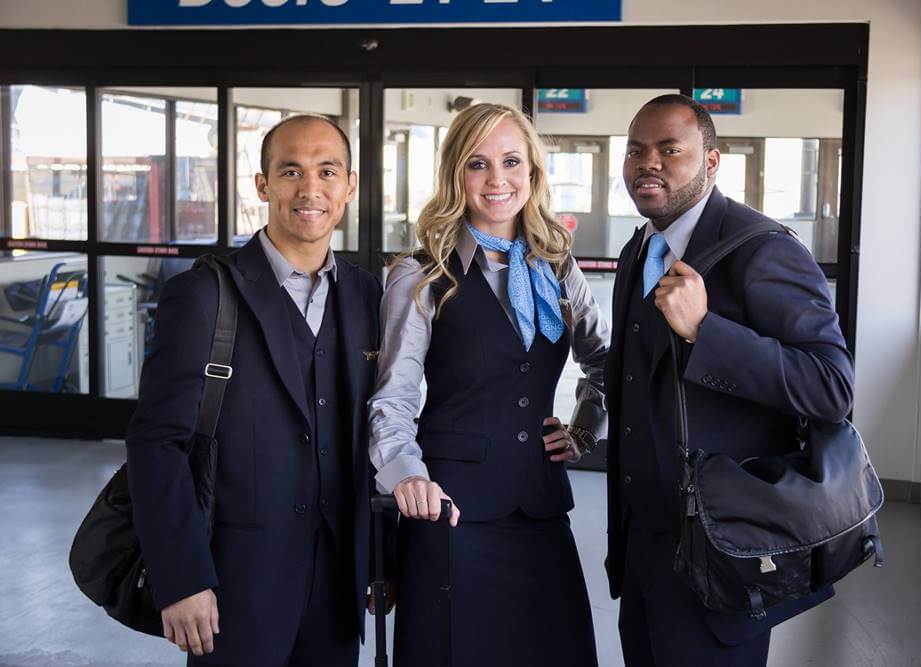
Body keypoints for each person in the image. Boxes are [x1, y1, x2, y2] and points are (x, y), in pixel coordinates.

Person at [605, 94, 855, 666]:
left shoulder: (762, 249)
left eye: (671, 150)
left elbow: (831, 386)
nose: (650, 164)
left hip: (724, 548)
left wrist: (705, 332)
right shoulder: (638, 248)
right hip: (644, 547)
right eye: (637, 151)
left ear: (712, 163)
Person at [126, 115, 384, 666]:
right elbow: (157, 444)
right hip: (230, 587)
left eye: (327, 171)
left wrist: (379, 561)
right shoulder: (201, 296)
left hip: (339, 589)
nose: (310, 189)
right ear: (263, 184)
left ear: (350, 185)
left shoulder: (366, 294)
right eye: (291, 171)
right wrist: (181, 578)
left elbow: (375, 430)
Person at [368, 102, 609, 667]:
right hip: (451, 512)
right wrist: (405, 475)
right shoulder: (423, 272)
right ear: (457, 173)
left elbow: (606, 363)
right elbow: (394, 397)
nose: (497, 180)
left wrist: (584, 430)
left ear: (532, 172)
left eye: (511, 162)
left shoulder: (555, 264)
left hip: (539, 509)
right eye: (478, 164)